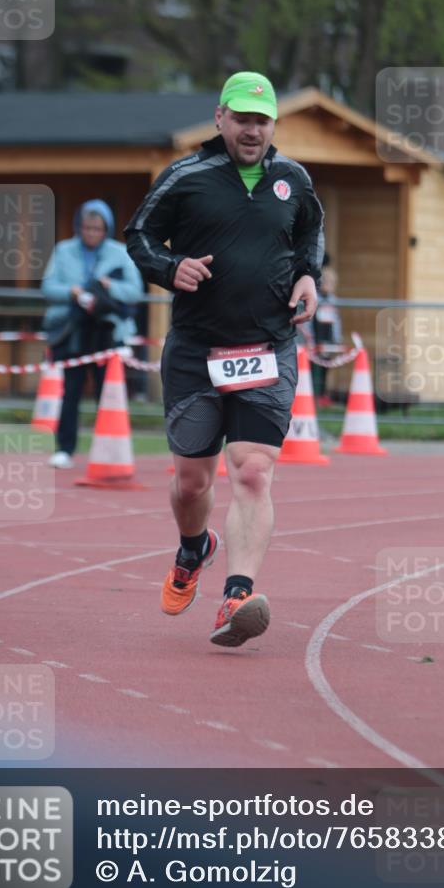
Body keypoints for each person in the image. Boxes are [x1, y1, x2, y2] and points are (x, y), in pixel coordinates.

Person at [125, 71, 325, 647]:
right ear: (221, 119)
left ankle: (237, 596)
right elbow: (138, 235)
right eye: (242, 119)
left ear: (272, 126)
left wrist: (310, 275)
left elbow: (312, 234)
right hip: (195, 350)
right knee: (192, 484)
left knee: (254, 471)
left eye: (262, 120)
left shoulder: (293, 179)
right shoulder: (188, 176)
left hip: (267, 346)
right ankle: (194, 548)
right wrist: (170, 268)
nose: (252, 130)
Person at [42, 199, 143, 468]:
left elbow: (135, 291)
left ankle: (109, 450)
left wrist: (110, 287)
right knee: (70, 391)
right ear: (78, 226)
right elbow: (48, 287)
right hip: (73, 329)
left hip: (106, 331)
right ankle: (65, 449)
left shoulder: (120, 253)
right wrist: (71, 291)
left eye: (97, 228)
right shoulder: (63, 250)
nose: (91, 233)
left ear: (106, 229)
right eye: (87, 228)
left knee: (108, 392)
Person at [308, 262, 343, 407]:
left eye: (331, 282)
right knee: (312, 368)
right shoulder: (314, 298)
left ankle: (321, 395)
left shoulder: (334, 301)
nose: (327, 284)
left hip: (328, 340)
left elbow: (337, 322)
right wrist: (308, 338)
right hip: (315, 338)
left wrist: (337, 339)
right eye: (325, 281)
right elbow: (308, 321)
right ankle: (311, 395)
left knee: (325, 368)